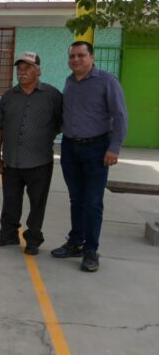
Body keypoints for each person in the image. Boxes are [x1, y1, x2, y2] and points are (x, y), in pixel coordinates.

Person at [51, 41, 128, 272]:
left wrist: (114, 147)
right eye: (72, 56)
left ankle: (91, 250)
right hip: (70, 148)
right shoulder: (69, 81)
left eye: (81, 55)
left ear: (91, 57)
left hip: (97, 149)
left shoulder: (107, 81)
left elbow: (120, 116)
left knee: (93, 201)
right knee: (76, 199)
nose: (76, 59)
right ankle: (75, 242)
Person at [0, 52, 62, 255]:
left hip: (39, 161)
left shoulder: (53, 95)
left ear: (38, 71)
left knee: (37, 203)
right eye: (19, 68)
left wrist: (43, 136)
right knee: (10, 200)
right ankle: (8, 234)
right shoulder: (8, 96)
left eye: (28, 68)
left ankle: (33, 239)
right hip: (11, 161)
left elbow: (61, 123)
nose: (22, 72)